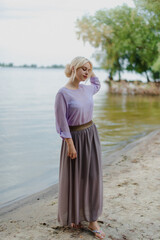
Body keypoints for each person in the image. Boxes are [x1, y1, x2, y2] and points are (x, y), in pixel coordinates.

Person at [54, 56, 105, 239]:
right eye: (83, 69)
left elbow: (97, 84)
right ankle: (75, 215)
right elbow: (61, 123)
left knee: (92, 177)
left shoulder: (87, 89)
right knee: (75, 178)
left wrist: (92, 72)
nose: (86, 73)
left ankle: (92, 220)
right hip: (73, 139)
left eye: (89, 69)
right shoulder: (63, 93)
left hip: (90, 136)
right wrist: (70, 144)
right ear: (74, 68)